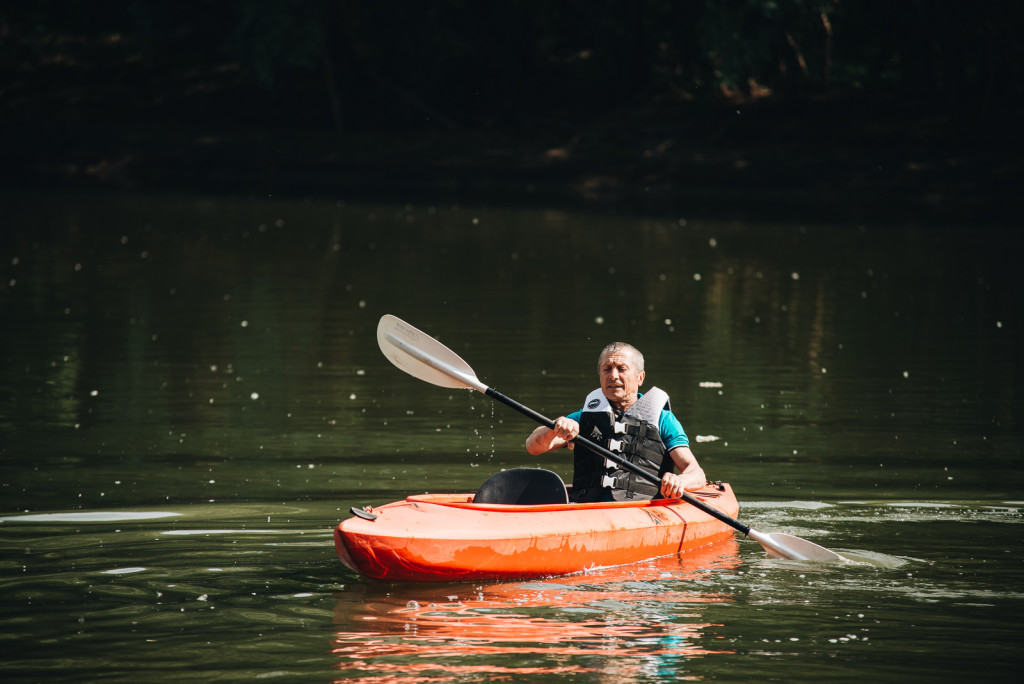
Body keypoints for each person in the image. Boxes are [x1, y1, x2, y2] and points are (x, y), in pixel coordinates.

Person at [525, 341, 706, 502]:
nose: (613, 375)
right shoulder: (583, 418)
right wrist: (554, 428)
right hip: (585, 509)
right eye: (607, 369)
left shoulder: (662, 419)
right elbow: (533, 446)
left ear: (640, 378)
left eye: (621, 369)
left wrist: (679, 480)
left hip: (642, 510)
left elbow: (696, 473)